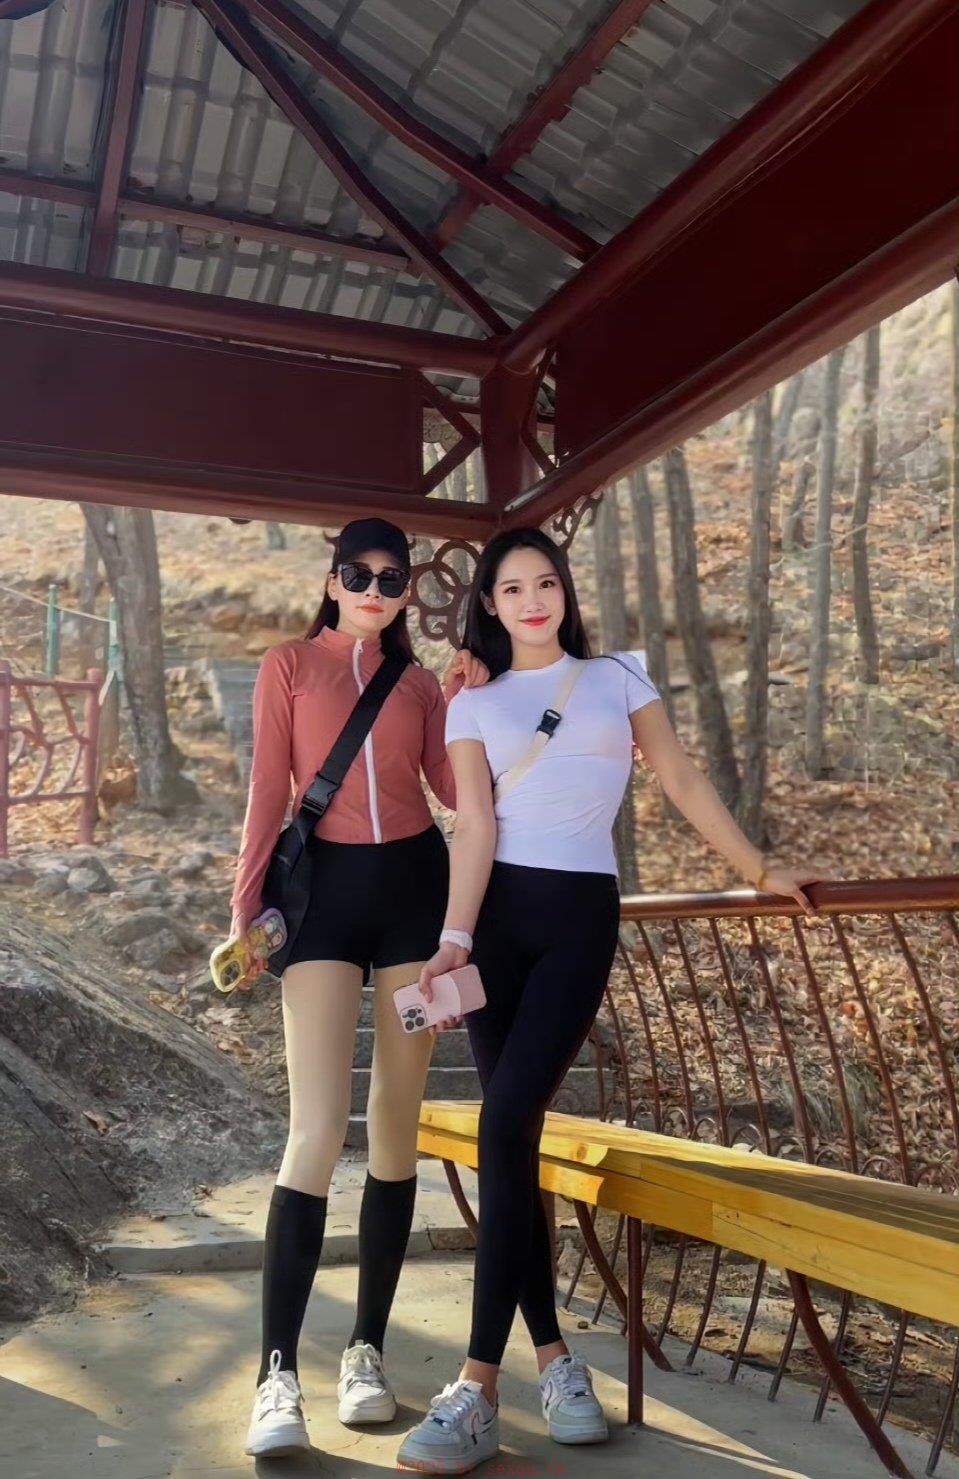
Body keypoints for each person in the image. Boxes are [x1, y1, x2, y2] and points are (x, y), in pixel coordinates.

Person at [397, 526, 825, 1473]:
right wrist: (454, 939)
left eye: (546, 582)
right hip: (496, 924)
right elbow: (474, 826)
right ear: (490, 603)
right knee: (511, 1138)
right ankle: (554, 1363)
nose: (533, 600)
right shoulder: (472, 702)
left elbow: (679, 777)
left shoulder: (617, 677)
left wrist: (758, 867)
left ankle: (474, 1385)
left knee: (506, 1119)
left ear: (565, 591)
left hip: (578, 920)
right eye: (513, 588)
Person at [231, 517, 488, 1459]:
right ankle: (276, 1375)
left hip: (415, 896)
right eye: (358, 573)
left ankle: (366, 1351)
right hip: (320, 900)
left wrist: (471, 705)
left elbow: (453, 791)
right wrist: (245, 908)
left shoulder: (417, 685)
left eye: (391, 577)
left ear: (407, 589)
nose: (375, 588)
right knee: (313, 1125)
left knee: (394, 1122)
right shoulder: (288, 666)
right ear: (332, 580)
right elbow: (267, 788)